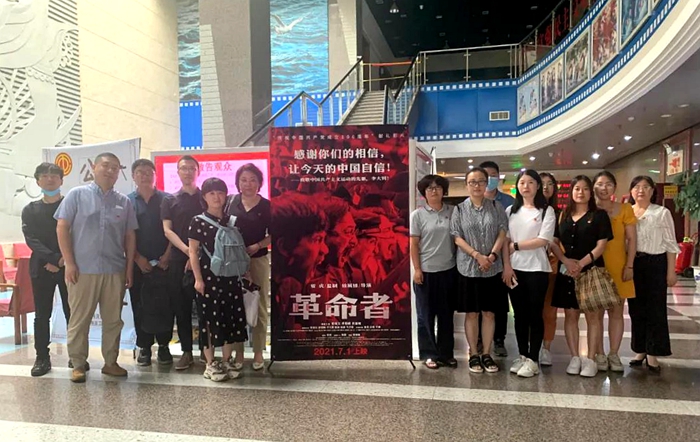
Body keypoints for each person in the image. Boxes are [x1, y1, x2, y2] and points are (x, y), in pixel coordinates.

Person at [55, 152, 138, 383]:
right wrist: (69, 262)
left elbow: (130, 236)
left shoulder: (124, 201)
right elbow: (62, 227)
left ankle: (110, 362)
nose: (110, 171)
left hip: (114, 269)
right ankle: (78, 364)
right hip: (82, 270)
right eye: (105, 166)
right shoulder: (76, 195)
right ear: (94, 167)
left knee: (113, 320)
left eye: (115, 168)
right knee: (79, 319)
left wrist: (128, 269)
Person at [550, 175, 612, 378]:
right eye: (577, 188)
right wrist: (566, 261)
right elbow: (554, 242)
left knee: (593, 316)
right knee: (570, 315)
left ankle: (591, 359)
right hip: (567, 271)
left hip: (591, 270)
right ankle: (575, 357)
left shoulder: (599, 215)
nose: (581, 192)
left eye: (585, 189)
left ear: (590, 192)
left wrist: (581, 264)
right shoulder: (563, 215)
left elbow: (601, 245)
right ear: (571, 192)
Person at [188, 178, 247, 382]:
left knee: (229, 317)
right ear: (204, 197)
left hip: (230, 277)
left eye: (220, 192)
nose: (216, 197)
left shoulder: (233, 221)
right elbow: (193, 252)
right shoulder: (198, 221)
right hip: (208, 277)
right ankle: (210, 363)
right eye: (211, 193)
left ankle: (226, 359)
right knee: (209, 319)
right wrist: (198, 279)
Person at [451, 167, 508, 374]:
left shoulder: (496, 206)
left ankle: (487, 353)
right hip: (468, 268)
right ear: (466, 185)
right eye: (472, 182)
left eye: (481, 181)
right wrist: (477, 255)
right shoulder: (459, 209)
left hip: (493, 267)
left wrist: (491, 256)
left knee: (489, 313)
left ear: (487, 183)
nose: (477, 185)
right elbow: (457, 237)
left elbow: (502, 231)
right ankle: (474, 353)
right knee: (472, 313)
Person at [502, 170, 556, 378]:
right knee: (519, 315)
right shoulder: (510, 211)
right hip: (515, 269)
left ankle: (533, 359)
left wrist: (516, 246)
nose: (526, 186)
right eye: (522, 182)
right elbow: (505, 241)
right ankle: (523, 355)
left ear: (538, 186)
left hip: (537, 269)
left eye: (531, 182)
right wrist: (507, 266)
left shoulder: (546, 211)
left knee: (535, 314)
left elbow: (543, 240)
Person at [21, 163, 71, 377]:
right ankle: (42, 357)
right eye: (45, 176)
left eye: (54, 176)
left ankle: (77, 355)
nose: (50, 179)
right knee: (42, 315)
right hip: (42, 267)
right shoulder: (30, 210)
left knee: (72, 313)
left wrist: (63, 261)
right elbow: (31, 240)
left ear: (61, 180)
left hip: (69, 267)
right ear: (38, 181)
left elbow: (76, 234)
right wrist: (54, 259)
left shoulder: (70, 206)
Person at [628, 176, 679, 373]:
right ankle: (640, 349)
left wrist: (671, 271)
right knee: (635, 309)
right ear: (631, 191)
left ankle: (653, 352)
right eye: (637, 187)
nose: (640, 190)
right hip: (634, 263)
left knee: (655, 309)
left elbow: (670, 243)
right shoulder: (628, 211)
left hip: (655, 263)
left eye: (645, 187)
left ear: (652, 191)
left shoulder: (661, 212)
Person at [224, 163, 271, 372]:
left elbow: (275, 233)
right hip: (233, 262)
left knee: (259, 305)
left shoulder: (267, 206)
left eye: (253, 180)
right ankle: (239, 352)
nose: (248, 184)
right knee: (236, 306)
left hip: (257, 260)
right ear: (238, 182)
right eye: (243, 180)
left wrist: (258, 245)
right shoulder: (230, 202)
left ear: (259, 183)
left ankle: (259, 351)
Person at [128, 159, 173, 367]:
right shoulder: (127, 202)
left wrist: (168, 255)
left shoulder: (167, 200)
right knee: (139, 304)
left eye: (148, 172)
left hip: (165, 263)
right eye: (139, 172)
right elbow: (123, 234)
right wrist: (137, 258)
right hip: (138, 264)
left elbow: (175, 230)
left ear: (155, 175)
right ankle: (144, 347)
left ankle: (164, 346)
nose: (144, 175)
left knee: (166, 305)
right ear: (133, 176)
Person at [410, 174, 457, 370]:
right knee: (425, 315)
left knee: (446, 315)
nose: (434, 190)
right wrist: (417, 269)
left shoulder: (453, 211)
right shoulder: (417, 215)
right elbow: (414, 244)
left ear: (444, 191)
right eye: (429, 188)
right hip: (426, 272)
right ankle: (429, 354)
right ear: (424, 193)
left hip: (448, 271)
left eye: (438, 187)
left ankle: (446, 354)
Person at [593, 171, 637, 372]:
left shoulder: (625, 209)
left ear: (615, 187)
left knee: (617, 312)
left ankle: (614, 353)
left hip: (619, 267)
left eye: (608, 184)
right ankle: (599, 353)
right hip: (595, 268)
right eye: (600, 184)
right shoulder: (589, 209)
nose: (604, 188)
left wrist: (630, 265)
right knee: (596, 314)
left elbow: (632, 240)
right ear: (593, 187)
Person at [161, 155, 202, 371]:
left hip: (205, 260)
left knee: (205, 308)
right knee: (181, 307)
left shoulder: (206, 197)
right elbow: (167, 230)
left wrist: (196, 255)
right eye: (183, 168)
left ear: (198, 171)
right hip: (178, 260)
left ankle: (207, 350)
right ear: (177, 172)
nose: (187, 172)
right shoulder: (170, 200)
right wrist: (188, 251)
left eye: (191, 168)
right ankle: (187, 352)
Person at [479, 161, 514, 357]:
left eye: (493, 175)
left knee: (500, 303)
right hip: (478, 262)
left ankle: (499, 339)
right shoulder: (470, 202)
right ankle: (479, 339)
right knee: (478, 304)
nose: (489, 179)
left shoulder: (508, 202)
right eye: (485, 175)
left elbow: (508, 233)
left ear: (498, 177)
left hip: (501, 260)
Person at [539, 172, 559, 366]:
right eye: (542, 183)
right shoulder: (527, 210)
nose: (546, 187)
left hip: (552, 266)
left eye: (550, 184)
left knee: (549, 311)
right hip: (530, 265)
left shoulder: (561, 213)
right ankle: (531, 346)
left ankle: (546, 347)